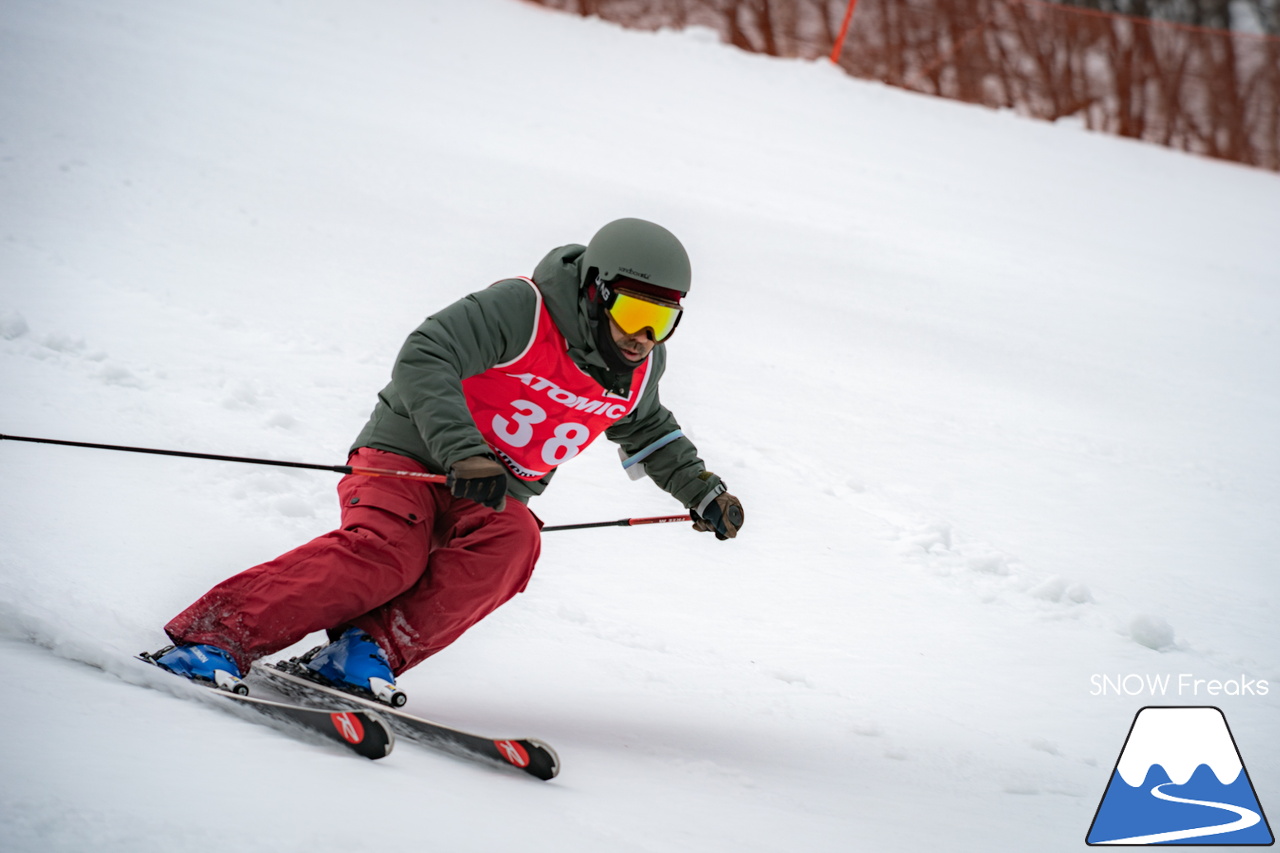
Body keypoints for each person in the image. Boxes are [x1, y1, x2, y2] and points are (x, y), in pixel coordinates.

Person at [151, 218, 745, 699]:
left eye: (662, 321)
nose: (643, 336)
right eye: (634, 313)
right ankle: (214, 637)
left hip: (487, 492)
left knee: (514, 542)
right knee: (389, 554)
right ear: (595, 290)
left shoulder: (638, 369)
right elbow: (426, 353)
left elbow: (648, 430)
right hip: (409, 455)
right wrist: (464, 452)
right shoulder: (524, 310)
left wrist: (703, 492)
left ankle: (364, 651)